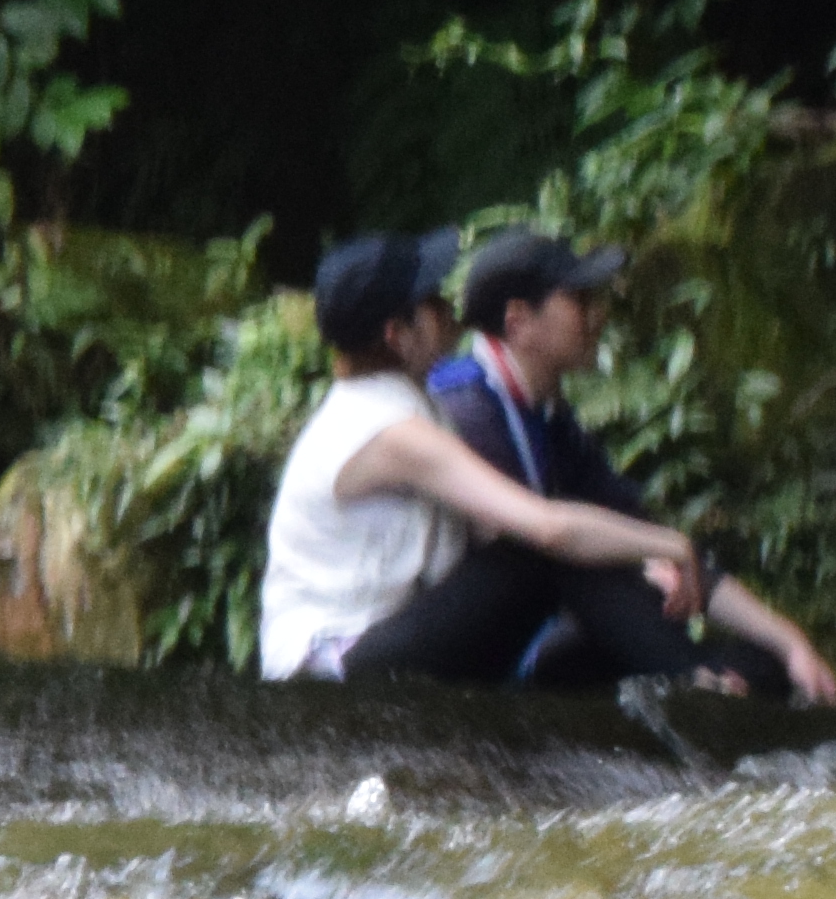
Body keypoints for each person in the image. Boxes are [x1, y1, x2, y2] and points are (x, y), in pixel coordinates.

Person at [338, 232, 836, 699]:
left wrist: (791, 641)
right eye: (579, 300)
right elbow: (555, 541)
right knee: (566, 548)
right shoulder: (464, 406)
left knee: (764, 664)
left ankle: (702, 685)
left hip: (545, 636)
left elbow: (648, 536)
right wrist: (655, 562)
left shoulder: (551, 415)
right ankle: (694, 688)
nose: (598, 314)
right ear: (519, 322)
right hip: (449, 649)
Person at [260, 231, 704, 677]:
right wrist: (671, 544)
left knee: (574, 615)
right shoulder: (387, 429)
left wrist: (640, 562)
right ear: (398, 334)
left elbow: (494, 545)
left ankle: (692, 677)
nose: (448, 307)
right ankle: (693, 682)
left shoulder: (404, 406)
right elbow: (545, 529)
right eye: (431, 300)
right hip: (335, 663)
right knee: (542, 552)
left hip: (389, 639)